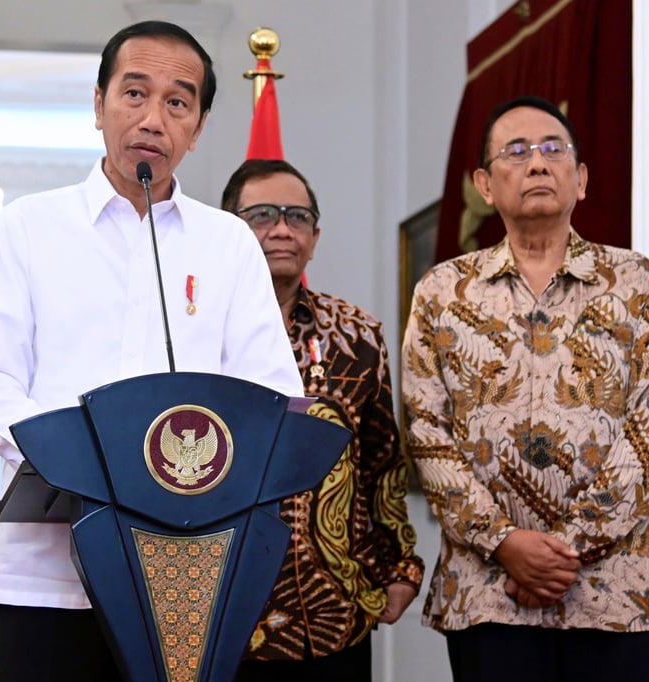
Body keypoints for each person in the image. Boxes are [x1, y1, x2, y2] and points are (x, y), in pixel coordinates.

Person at [0, 20, 304, 682]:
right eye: (134, 93)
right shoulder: (29, 228)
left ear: (197, 127)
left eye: (178, 102)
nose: (153, 118)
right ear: (98, 104)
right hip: (48, 575)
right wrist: (77, 459)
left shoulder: (228, 243)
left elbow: (271, 395)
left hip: (189, 576)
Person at [401, 95, 649, 682]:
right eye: (516, 151)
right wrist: (505, 542)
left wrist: (563, 553)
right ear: (485, 184)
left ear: (581, 178)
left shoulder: (638, 283)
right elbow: (426, 430)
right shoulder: (443, 291)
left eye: (552, 150)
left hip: (614, 592)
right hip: (488, 594)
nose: (536, 163)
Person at [221, 159, 424, 681]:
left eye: (298, 216)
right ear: (226, 230)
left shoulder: (358, 336)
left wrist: (400, 567)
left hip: (336, 617)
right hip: (221, 619)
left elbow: (382, 462)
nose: (282, 229)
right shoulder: (194, 332)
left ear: (314, 237)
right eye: (261, 215)